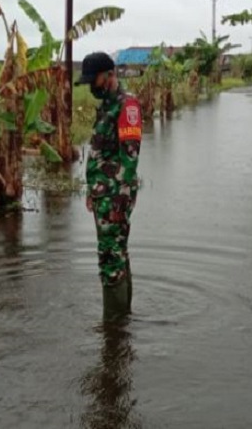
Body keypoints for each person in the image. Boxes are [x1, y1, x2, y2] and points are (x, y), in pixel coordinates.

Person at [76, 52, 142, 320]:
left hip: (115, 197)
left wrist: (120, 199)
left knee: (111, 258)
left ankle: (113, 328)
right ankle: (122, 321)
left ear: (109, 75)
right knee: (116, 254)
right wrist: (94, 193)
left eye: (95, 80)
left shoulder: (127, 107)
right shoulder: (107, 107)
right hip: (104, 195)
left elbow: (130, 157)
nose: (92, 86)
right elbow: (101, 155)